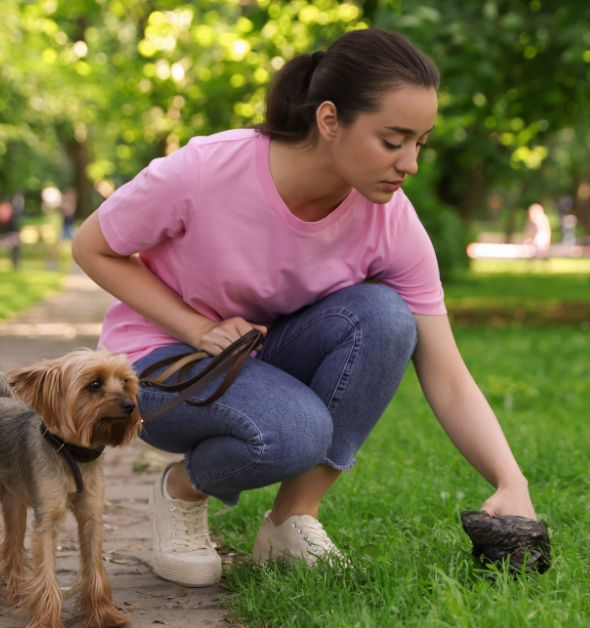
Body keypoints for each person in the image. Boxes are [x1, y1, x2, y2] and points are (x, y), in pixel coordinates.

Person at [72, 29, 536, 588]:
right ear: (330, 120)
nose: (410, 162)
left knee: (388, 316)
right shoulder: (206, 170)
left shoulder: (391, 222)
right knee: (295, 432)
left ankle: (292, 518)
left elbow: (448, 373)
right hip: (157, 367)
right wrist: (197, 328)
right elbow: (92, 246)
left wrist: (512, 482)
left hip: (257, 360)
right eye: (393, 141)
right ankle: (182, 491)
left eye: (421, 143)